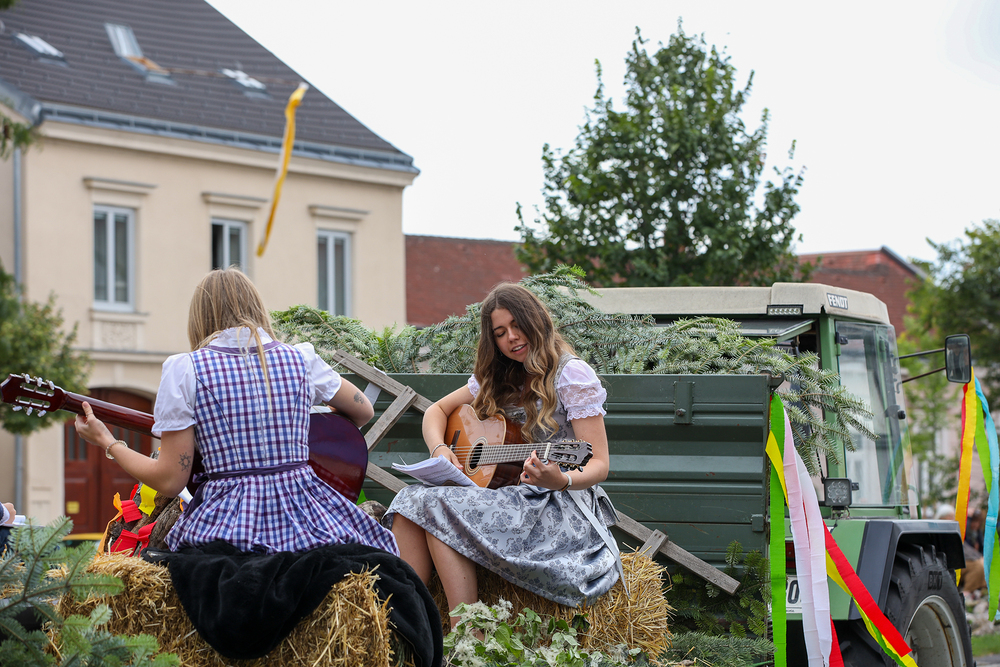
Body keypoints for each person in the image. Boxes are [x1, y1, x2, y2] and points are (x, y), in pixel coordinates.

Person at [74, 267, 398, 556]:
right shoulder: (301, 359)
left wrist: (108, 442)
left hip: (229, 525)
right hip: (308, 515)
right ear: (257, 308)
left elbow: (170, 480)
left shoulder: (186, 370)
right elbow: (363, 411)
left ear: (200, 318)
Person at [384, 282, 621, 626]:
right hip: (513, 495)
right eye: (500, 332)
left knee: (437, 507)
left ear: (536, 319)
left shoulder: (570, 374)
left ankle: (467, 632)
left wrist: (561, 479)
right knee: (407, 501)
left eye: (516, 324)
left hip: (558, 506)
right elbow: (436, 411)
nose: (511, 337)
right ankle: (405, 623)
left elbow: (599, 463)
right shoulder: (498, 375)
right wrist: (440, 449)